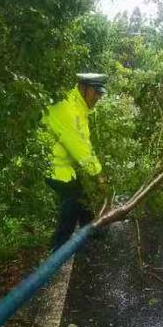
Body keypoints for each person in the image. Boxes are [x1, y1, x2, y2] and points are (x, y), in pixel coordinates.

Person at [40, 73, 108, 251]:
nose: (99, 97)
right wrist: (99, 176)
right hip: (49, 165)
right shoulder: (68, 109)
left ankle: (91, 229)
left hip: (62, 164)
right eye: (96, 93)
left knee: (83, 194)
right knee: (73, 199)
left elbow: (84, 142)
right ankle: (58, 247)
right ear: (83, 88)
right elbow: (80, 149)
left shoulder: (80, 107)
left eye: (101, 94)